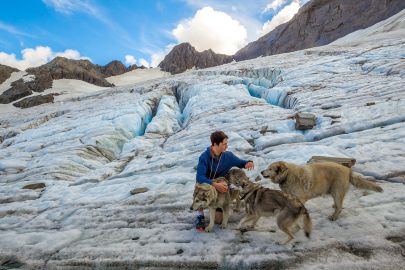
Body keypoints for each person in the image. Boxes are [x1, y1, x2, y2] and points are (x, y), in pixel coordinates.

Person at [194, 130, 254, 231]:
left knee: (218, 220)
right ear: (215, 144)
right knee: (199, 185)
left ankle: (222, 204)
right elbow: (200, 176)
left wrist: (249, 162)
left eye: (227, 144)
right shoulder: (204, 157)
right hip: (208, 185)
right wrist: (214, 184)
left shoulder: (228, 156)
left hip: (221, 189)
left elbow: (241, 163)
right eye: (224, 144)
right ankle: (200, 215)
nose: (226, 146)